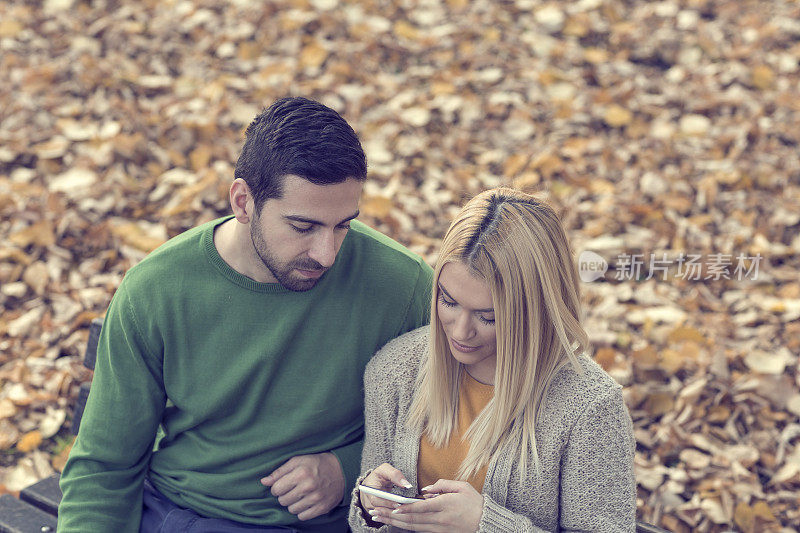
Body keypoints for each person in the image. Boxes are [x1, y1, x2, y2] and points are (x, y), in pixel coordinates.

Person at [58, 97, 434, 532]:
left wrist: (347, 468)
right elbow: (105, 466)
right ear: (243, 201)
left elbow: (453, 425)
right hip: (195, 515)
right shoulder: (156, 290)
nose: (327, 253)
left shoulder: (401, 284)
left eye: (343, 224)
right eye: (303, 227)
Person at [349, 188, 636, 532]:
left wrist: (486, 525)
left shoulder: (590, 406)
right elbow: (363, 524)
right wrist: (369, 506)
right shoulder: (395, 370)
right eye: (449, 301)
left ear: (536, 309)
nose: (460, 331)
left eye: (488, 317)